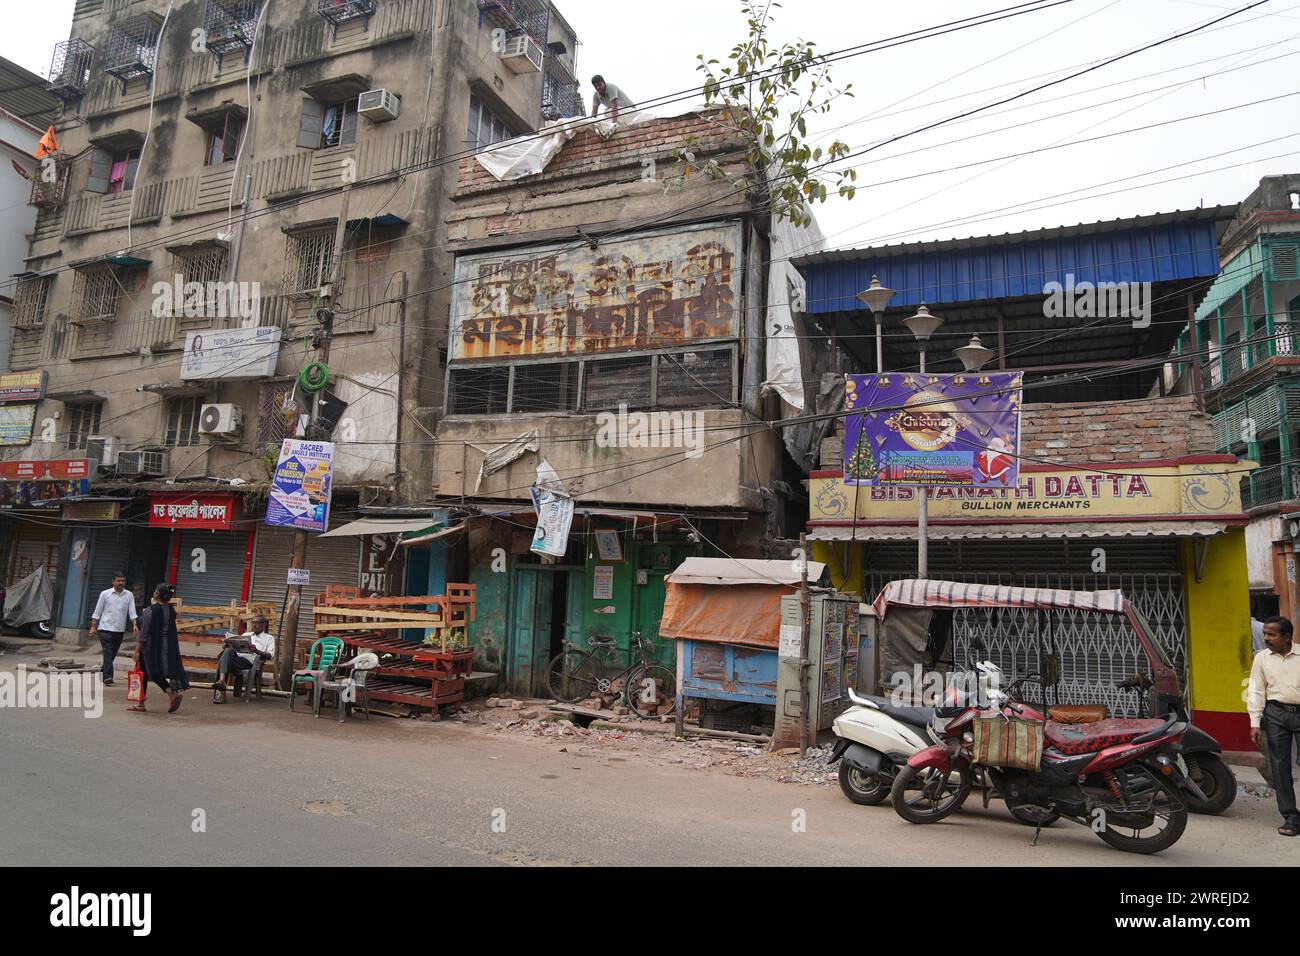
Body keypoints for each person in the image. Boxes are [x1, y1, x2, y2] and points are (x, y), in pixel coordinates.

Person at [1247, 615, 1300, 836]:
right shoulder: (1261, 658)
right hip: (1276, 713)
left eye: (1272, 634)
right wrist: (1255, 722)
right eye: (1265, 634)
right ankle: (1291, 817)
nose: (1266, 638)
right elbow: (1256, 690)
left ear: (1287, 637)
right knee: (1280, 766)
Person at [129, 584, 190, 714]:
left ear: (156, 594)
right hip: (167, 646)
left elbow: (143, 634)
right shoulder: (171, 610)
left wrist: (137, 650)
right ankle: (141, 703)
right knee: (146, 672)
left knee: (149, 672)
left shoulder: (150, 611)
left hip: (151, 647)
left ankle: (171, 693)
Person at [212, 615, 276, 703]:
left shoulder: (269, 638)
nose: (254, 625)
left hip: (250, 661)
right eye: (253, 623)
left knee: (223, 661)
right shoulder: (246, 635)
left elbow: (270, 655)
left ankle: (222, 692)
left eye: (257, 623)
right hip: (237, 657)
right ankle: (222, 680)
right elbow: (236, 646)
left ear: (263, 625)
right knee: (228, 650)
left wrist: (256, 651)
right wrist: (227, 644)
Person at [89, 572, 138, 686]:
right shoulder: (105, 594)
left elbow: (132, 612)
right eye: (118, 581)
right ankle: (108, 676)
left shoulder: (129, 595)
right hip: (105, 628)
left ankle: (103, 673)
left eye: (123, 581)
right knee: (107, 651)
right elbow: (97, 611)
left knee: (112, 653)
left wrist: (135, 624)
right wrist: (93, 626)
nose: (121, 583)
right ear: (113, 582)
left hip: (119, 630)